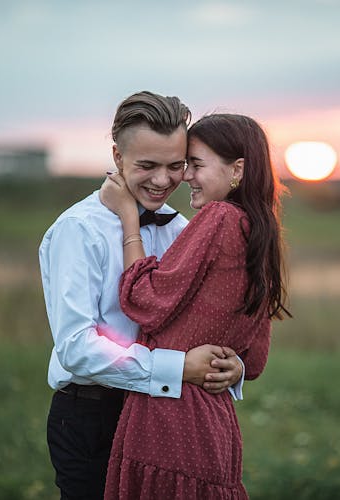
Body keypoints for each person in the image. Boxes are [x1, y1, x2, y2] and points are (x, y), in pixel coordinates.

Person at [39, 92, 247, 500]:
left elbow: (206, 319)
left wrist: (232, 367)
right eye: (147, 166)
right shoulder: (78, 230)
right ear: (117, 158)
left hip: (167, 418)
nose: (163, 180)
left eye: (176, 166)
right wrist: (177, 369)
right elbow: (76, 348)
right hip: (93, 416)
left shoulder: (185, 230)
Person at [101, 113, 290, 498]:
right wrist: (231, 363)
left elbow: (143, 299)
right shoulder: (260, 234)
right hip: (215, 427)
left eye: (197, 165)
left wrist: (127, 217)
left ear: (237, 170)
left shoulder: (219, 217)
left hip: (169, 419)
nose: (186, 176)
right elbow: (252, 363)